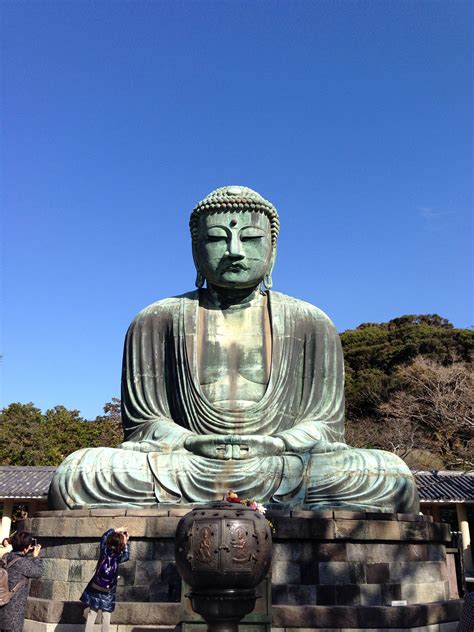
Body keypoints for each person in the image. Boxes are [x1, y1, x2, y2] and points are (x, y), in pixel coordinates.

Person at [49, 185, 419, 513]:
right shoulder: (156, 319)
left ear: (273, 251)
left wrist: (275, 444)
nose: (234, 252)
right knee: (79, 473)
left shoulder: (311, 322)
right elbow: (144, 423)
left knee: (389, 476)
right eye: (216, 240)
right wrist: (191, 441)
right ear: (196, 251)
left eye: (251, 239)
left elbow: (325, 426)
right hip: (187, 463)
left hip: (282, 464)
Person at [81, 526, 130, 632]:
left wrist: (116, 530)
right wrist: (126, 543)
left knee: (92, 614)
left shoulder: (104, 552)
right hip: (108, 591)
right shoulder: (118, 558)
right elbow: (127, 556)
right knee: (106, 616)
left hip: (96, 586)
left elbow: (104, 537)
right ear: (121, 544)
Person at [0, 531, 43, 632]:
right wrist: (36, 557)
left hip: (2, 603)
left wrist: (26, 553)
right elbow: (38, 572)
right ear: (26, 546)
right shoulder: (22, 562)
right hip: (13, 611)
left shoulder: (6, 557)